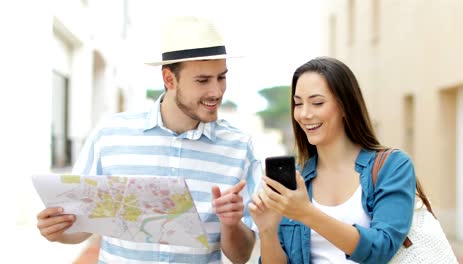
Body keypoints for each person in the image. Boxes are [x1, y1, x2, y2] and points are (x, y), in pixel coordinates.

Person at [36, 16, 261, 264]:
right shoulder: (110, 135)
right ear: (169, 79)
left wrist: (230, 224)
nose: (216, 91)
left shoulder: (239, 147)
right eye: (203, 80)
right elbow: (81, 226)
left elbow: (241, 256)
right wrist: (58, 232)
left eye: (221, 77)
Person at [248, 57, 417, 263]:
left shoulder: (392, 166)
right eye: (298, 104)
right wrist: (267, 231)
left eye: (317, 103)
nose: (304, 114)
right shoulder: (296, 181)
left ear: (345, 106)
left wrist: (306, 213)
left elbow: (382, 248)